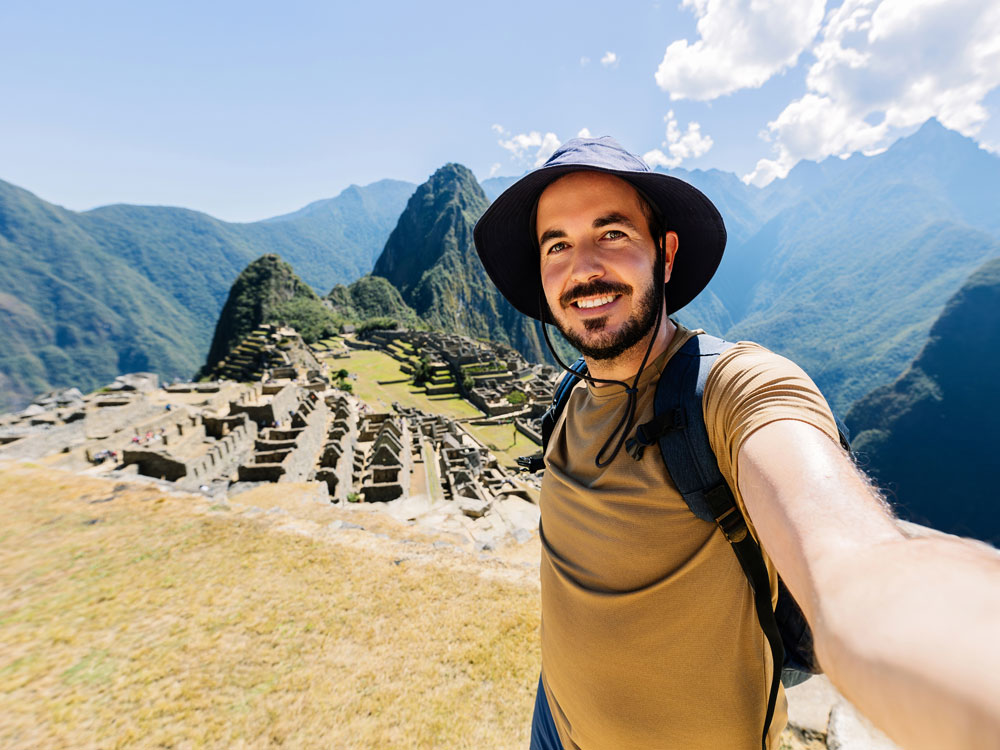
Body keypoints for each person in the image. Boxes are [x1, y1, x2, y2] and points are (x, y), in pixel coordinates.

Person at [473, 137, 1000, 750]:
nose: (582, 266)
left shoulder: (730, 389)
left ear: (665, 254)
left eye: (611, 234)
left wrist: (942, 640)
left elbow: (849, 559)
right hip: (555, 723)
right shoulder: (572, 396)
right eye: (556, 245)